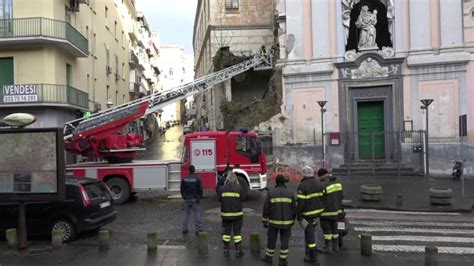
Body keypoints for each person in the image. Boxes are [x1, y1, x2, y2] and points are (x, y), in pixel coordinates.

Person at [261, 175, 296, 266]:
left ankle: (269, 258)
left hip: (273, 222)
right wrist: (292, 220)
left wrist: (265, 221)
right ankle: (282, 260)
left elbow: (266, 208)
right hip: (287, 223)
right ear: (284, 182)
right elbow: (294, 208)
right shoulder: (290, 193)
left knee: (271, 240)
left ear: (276, 182)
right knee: (285, 241)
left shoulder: (271, 193)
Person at [296, 166, 326, 265]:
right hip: (318, 212)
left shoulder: (302, 186)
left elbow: (301, 203)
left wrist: (299, 215)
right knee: (310, 232)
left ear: (303, 174)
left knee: (310, 236)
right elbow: (323, 197)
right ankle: (309, 252)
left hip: (308, 214)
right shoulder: (319, 183)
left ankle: (313, 257)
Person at [217, 172, 244, 257]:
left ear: (227, 179)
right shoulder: (239, 188)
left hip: (226, 215)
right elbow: (242, 198)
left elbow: (219, 199)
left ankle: (226, 251)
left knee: (226, 233)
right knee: (237, 234)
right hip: (237, 215)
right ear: (235, 179)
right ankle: (238, 251)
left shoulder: (222, 189)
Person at [318, 168, 344, 253]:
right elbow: (341, 196)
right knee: (334, 229)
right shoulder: (338, 184)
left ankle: (328, 247)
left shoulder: (323, 185)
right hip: (336, 211)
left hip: (326, 212)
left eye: (320, 177)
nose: (319, 179)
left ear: (323, 176)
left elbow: (319, 198)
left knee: (327, 230)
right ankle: (336, 246)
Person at [180, 165, 203, 235]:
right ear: (194, 170)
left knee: (186, 214)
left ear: (188, 170)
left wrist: (184, 197)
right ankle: (198, 229)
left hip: (187, 198)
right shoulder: (197, 178)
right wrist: (199, 197)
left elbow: (181, 189)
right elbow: (200, 189)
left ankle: (184, 229)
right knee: (197, 214)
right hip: (195, 199)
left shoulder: (184, 179)